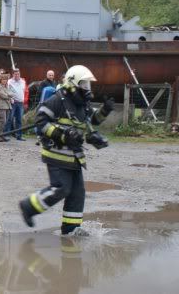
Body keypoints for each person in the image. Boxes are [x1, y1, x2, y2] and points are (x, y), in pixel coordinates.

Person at [19, 65, 115, 236]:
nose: (87, 88)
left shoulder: (82, 103)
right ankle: (28, 206)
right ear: (72, 83)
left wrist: (105, 110)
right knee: (61, 188)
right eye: (84, 84)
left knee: (77, 193)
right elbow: (41, 121)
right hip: (57, 155)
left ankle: (71, 229)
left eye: (88, 85)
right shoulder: (58, 99)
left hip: (74, 157)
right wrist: (62, 135)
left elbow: (92, 121)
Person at [5, 69, 26, 140]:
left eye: (18, 74)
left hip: (20, 103)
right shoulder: (9, 82)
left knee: (19, 120)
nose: (17, 75)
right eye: (15, 74)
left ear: (20, 74)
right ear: (13, 74)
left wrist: (24, 100)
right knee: (9, 119)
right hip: (13, 103)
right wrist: (11, 99)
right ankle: (6, 135)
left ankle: (19, 136)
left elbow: (23, 91)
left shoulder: (23, 81)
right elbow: (7, 91)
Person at [0, 74, 14, 142]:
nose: (5, 81)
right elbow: (3, 95)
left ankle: (2, 135)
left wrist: (9, 95)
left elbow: (12, 93)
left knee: (5, 122)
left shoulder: (7, 87)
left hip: (8, 106)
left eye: (6, 79)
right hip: (1, 106)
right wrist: (9, 96)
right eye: (3, 79)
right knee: (3, 121)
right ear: (0, 80)